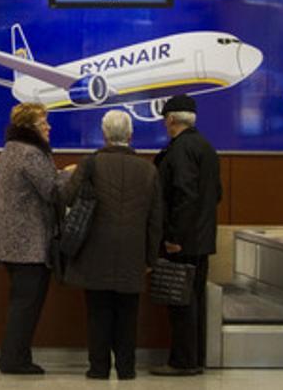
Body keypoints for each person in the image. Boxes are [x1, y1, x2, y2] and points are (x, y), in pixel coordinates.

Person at [61, 110, 162, 381]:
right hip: (133, 250)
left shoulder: (90, 163)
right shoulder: (149, 170)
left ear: (104, 134)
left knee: (98, 312)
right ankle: (127, 369)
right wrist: (150, 258)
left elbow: (68, 197)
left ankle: (98, 368)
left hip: (95, 248)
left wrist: (66, 175)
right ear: (130, 135)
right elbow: (155, 219)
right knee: (128, 314)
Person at [0, 102, 72, 375]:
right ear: (29, 127)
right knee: (26, 305)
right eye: (42, 123)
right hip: (29, 243)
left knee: (21, 302)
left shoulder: (10, 150)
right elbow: (52, 191)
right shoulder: (30, 154)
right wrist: (70, 175)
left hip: (12, 241)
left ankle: (17, 356)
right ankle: (13, 359)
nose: (48, 127)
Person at [150, 94, 222, 376]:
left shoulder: (179, 150)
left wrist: (174, 236)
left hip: (182, 240)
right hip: (202, 238)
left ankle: (182, 361)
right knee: (194, 298)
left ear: (170, 120)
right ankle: (195, 357)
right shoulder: (206, 147)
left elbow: (183, 195)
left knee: (180, 302)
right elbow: (216, 193)